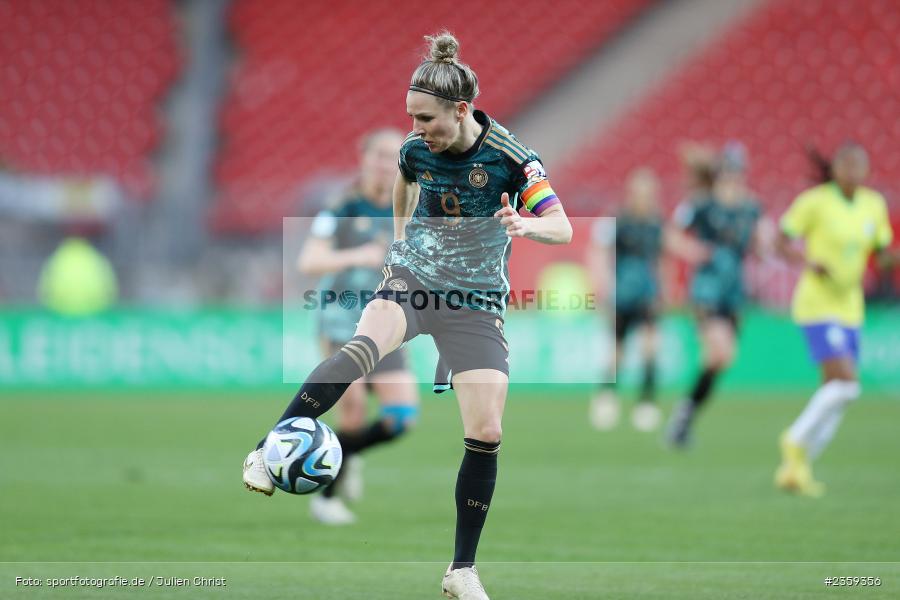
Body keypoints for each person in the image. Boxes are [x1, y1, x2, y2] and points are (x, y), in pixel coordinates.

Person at [243, 32, 572, 599]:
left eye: (425, 118)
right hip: (414, 278)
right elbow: (404, 181)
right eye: (411, 119)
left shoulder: (514, 159)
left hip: (476, 301)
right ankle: (267, 448)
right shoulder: (414, 148)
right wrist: (399, 241)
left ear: (461, 110)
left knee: (487, 430)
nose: (416, 130)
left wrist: (526, 225)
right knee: (359, 349)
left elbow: (562, 227)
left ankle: (461, 570)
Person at [296, 128, 420, 525]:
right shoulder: (342, 208)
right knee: (350, 413)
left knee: (401, 418)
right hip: (340, 320)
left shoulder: (411, 208)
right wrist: (357, 255)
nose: (386, 164)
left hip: (386, 321)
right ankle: (327, 499)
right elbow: (309, 262)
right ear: (364, 159)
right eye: (379, 156)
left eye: (393, 156)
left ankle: (346, 456)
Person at [774, 143, 894, 497]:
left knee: (836, 394)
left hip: (851, 306)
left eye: (860, 164)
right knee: (848, 385)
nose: (854, 170)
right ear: (836, 168)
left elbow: (881, 255)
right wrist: (807, 262)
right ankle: (794, 441)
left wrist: (893, 259)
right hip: (818, 304)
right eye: (848, 163)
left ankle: (796, 469)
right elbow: (781, 242)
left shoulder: (874, 205)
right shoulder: (816, 202)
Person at [666, 142, 771, 447]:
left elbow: (761, 241)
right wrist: (694, 251)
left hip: (734, 290)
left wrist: (762, 246)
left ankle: (684, 417)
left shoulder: (751, 207)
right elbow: (671, 235)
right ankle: (683, 417)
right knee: (720, 352)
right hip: (707, 289)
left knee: (722, 360)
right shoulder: (702, 205)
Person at [588, 168, 706, 432]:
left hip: (648, 294)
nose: (645, 197)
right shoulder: (617, 220)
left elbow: (666, 256)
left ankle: (646, 402)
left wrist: (667, 289)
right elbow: (599, 252)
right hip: (622, 293)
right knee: (617, 352)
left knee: (651, 347)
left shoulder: (656, 223)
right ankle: (606, 396)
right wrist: (602, 287)